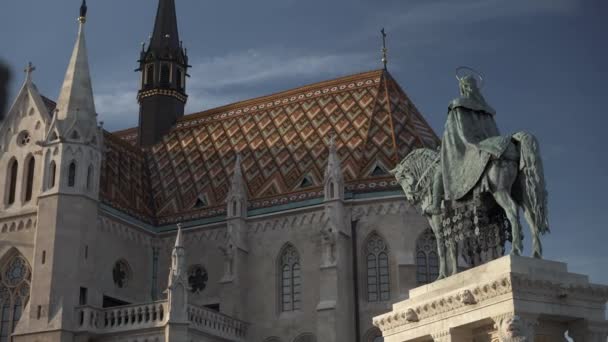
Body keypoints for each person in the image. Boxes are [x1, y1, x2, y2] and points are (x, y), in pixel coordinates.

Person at [426, 73, 512, 215]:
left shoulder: (458, 104)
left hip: (468, 146)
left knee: (440, 172)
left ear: (463, 88)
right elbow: (494, 131)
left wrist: (445, 149)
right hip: (490, 144)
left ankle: (435, 206)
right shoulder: (487, 110)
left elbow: (453, 134)